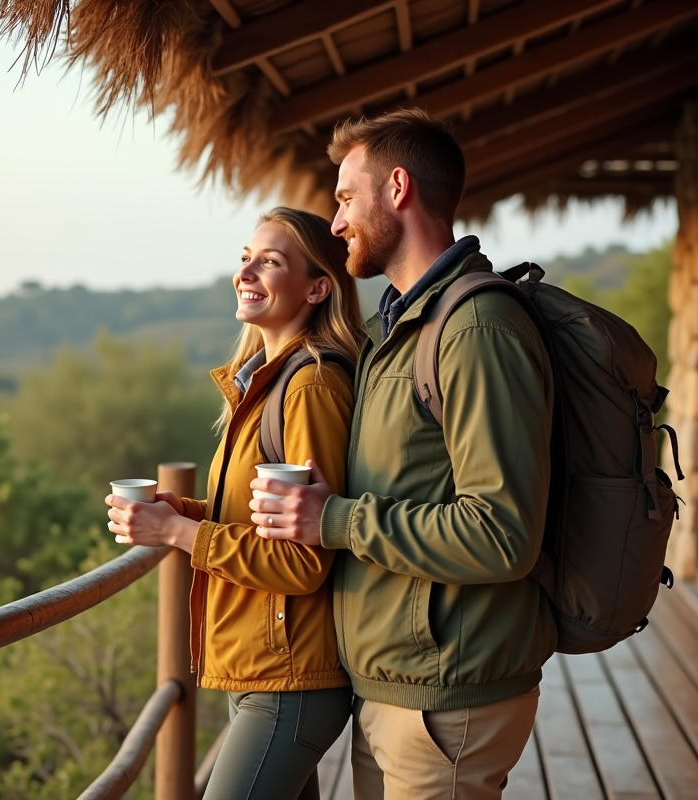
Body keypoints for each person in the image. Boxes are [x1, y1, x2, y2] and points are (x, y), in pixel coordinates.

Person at [250, 109, 557, 800]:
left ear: (397, 187)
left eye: (345, 198)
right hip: (397, 685)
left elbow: (503, 533)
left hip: (448, 695)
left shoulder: (475, 326)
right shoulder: (397, 326)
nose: (335, 223)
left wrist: (334, 520)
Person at [106, 207, 366, 800]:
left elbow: (303, 559)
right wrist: (187, 511)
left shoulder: (310, 387)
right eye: (245, 258)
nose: (245, 272)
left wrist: (177, 533)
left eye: (270, 262)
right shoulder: (265, 382)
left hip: (289, 678)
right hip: (260, 668)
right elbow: (266, 520)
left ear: (318, 287)